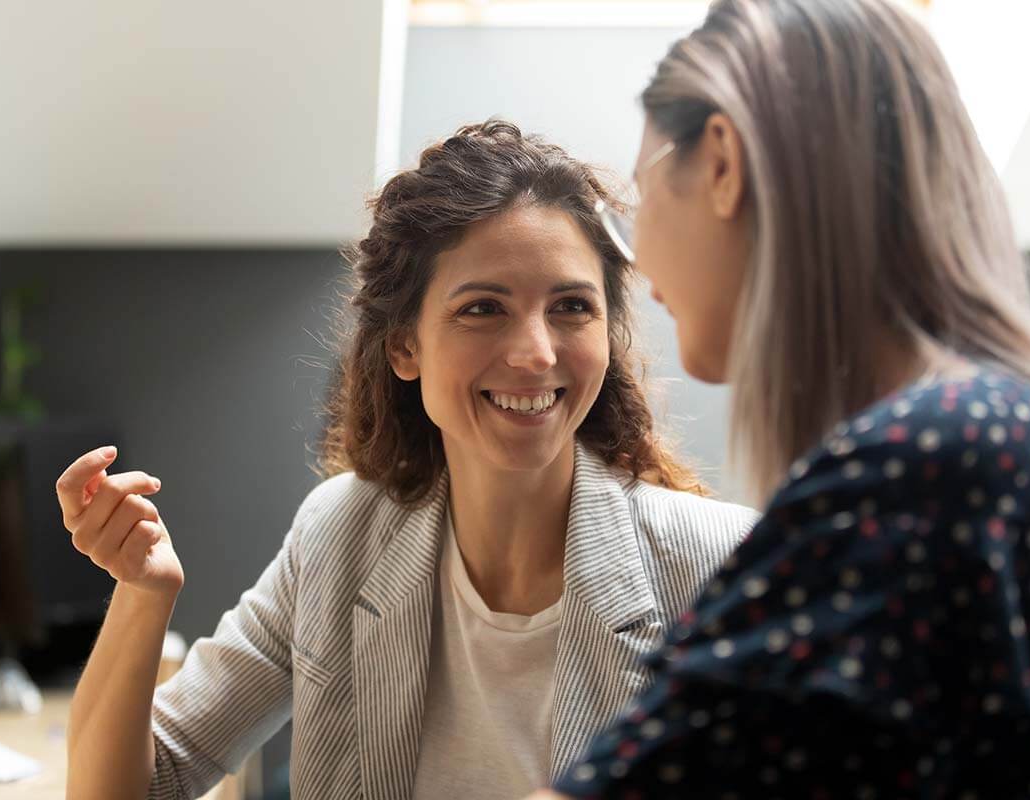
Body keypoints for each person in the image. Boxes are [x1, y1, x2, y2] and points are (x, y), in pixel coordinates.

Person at [54, 120, 758, 800]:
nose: (537, 352)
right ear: (404, 348)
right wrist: (144, 595)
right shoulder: (340, 537)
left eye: (572, 306)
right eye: (484, 308)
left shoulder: (723, 567)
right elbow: (139, 787)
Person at [530, 0, 1030, 797]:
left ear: (722, 163)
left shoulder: (922, 470)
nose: (640, 262)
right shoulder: (1000, 441)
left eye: (642, 198)